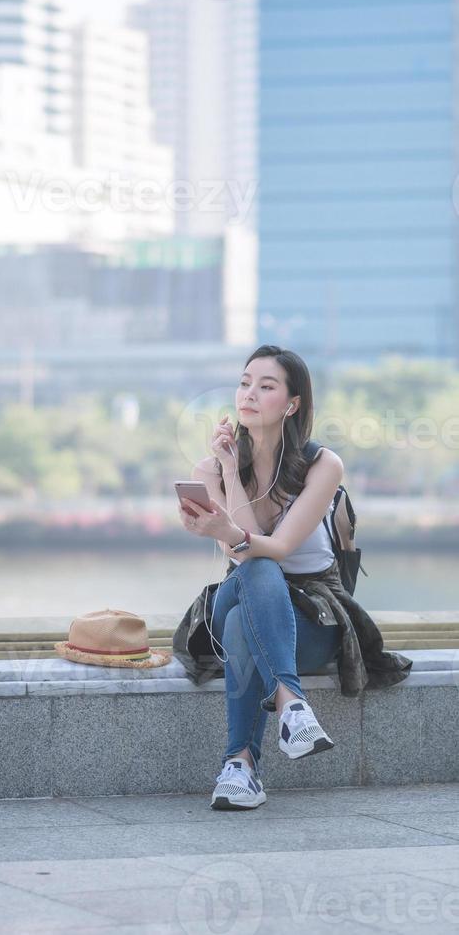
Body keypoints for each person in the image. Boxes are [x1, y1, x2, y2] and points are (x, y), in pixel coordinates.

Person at [177, 343, 411, 811]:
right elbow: (244, 550)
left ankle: (240, 768)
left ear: (291, 404)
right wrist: (226, 467)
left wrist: (228, 528)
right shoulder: (211, 468)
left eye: (266, 386)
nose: (249, 394)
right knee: (255, 570)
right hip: (239, 591)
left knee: (250, 613)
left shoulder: (322, 465)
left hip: (313, 614)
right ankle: (292, 706)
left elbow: (278, 545)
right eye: (245, 383)